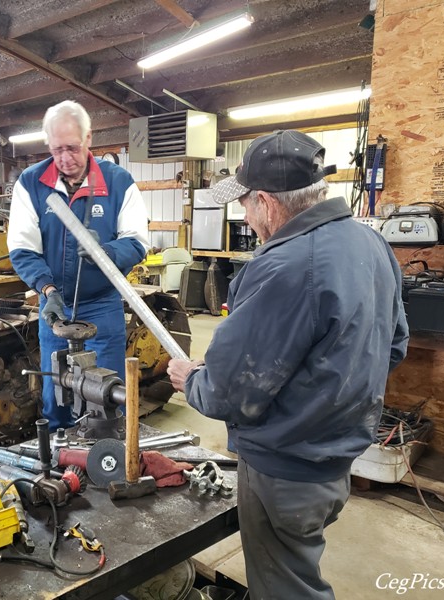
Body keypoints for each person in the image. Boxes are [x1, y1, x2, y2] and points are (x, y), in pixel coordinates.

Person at [167, 130, 409, 600]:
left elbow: (230, 392)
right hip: (336, 459)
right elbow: (393, 347)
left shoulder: (285, 268)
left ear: (266, 202)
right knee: (298, 567)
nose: (244, 215)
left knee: (286, 587)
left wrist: (193, 379)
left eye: (245, 205)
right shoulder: (370, 243)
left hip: (286, 468)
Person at [8, 100, 149, 430]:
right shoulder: (31, 184)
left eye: (72, 148)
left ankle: (108, 458)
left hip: (102, 304)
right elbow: (22, 248)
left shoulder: (118, 182)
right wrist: (47, 288)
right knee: (56, 393)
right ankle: (59, 461)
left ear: (89, 139)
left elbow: (138, 241)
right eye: (57, 150)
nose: (65, 159)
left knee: (108, 392)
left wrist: (106, 252)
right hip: (54, 305)